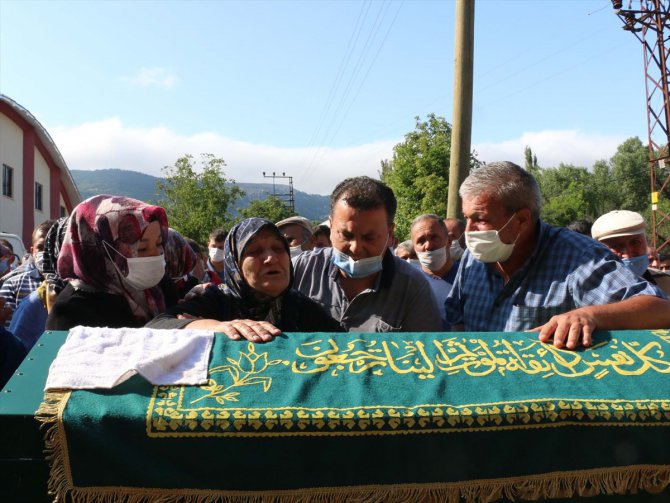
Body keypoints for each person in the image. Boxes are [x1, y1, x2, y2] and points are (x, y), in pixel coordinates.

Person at [445, 161, 670, 350]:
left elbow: (659, 310)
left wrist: (589, 315)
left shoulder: (578, 258)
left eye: (481, 220)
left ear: (522, 219)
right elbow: (456, 318)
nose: (468, 232)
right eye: (467, 219)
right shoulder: (472, 258)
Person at [147, 218, 342, 341]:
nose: (272, 258)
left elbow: (342, 344)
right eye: (255, 251)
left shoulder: (301, 307)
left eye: (278, 248)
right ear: (235, 263)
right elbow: (155, 328)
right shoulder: (216, 299)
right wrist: (215, 327)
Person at [289, 176, 441, 332]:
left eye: (369, 238)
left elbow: (424, 352)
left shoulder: (412, 289)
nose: (356, 248)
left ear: (390, 233)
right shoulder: (300, 269)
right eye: (346, 236)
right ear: (331, 226)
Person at [46, 195, 168, 330]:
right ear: (100, 248)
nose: (156, 255)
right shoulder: (71, 311)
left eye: (159, 243)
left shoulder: (152, 290)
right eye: (141, 248)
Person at [591, 210, 670, 295]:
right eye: (615, 246)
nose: (628, 254)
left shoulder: (665, 282)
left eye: (635, 243)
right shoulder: (589, 291)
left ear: (646, 242)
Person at [0, 219, 55, 328]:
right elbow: (7, 331)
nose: (47, 252)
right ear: (32, 250)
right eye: (41, 247)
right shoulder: (13, 285)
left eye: (52, 246)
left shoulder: (75, 286)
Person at [411, 214, 459, 330]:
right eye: (421, 241)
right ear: (414, 247)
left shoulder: (467, 277)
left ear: (449, 241)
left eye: (434, 237)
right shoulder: (408, 282)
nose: (428, 245)